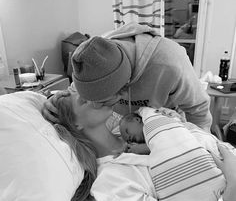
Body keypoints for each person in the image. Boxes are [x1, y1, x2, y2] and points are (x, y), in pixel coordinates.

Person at [52, 90, 236, 201]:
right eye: (78, 97)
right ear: (73, 123)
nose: (90, 93)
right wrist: (233, 190)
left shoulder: (138, 128)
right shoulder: (111, 185)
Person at [43, 22, 212, 131]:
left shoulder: (170, 63)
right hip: (129, 129)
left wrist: (201, 147)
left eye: (102, 102)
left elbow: (199, 112)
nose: (94, 105)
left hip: (167, 125)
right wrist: (57, 99)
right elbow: (77, 91)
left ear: (124, 89)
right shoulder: (93, 56)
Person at [119, 106, 228, 201]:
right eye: (127, 139)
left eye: (127, 131)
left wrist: (139, 149)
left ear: (137, 120)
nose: (129, 138)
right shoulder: (148, 142)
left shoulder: (156, 121)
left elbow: (165, 140)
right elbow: (158, 149)